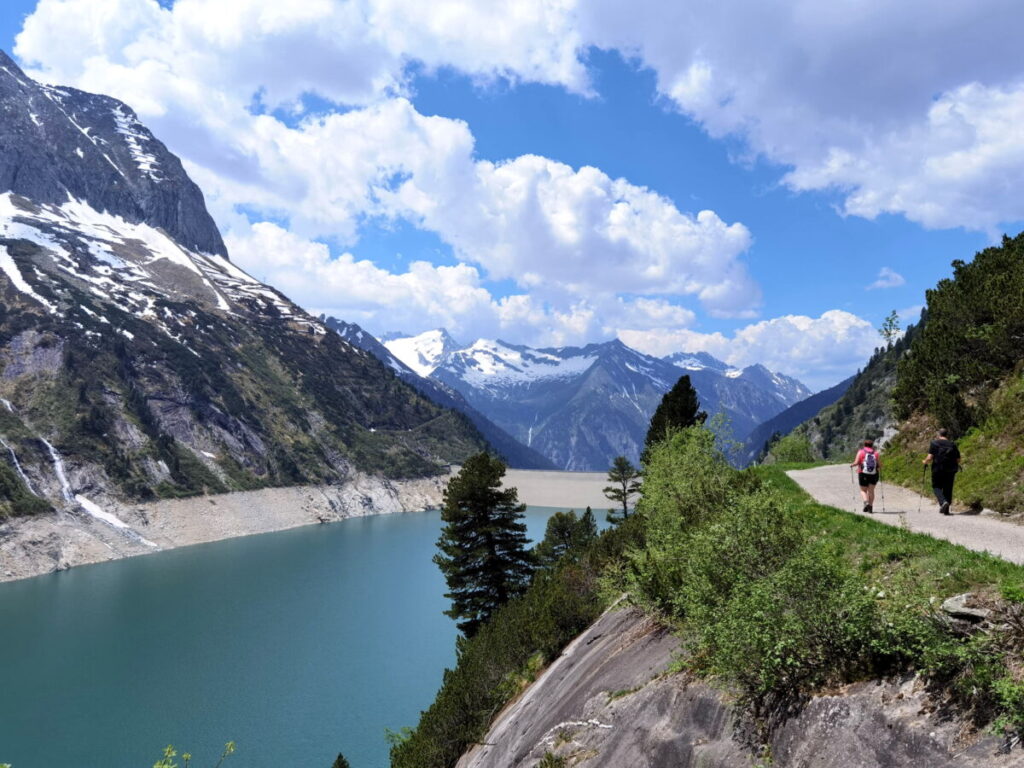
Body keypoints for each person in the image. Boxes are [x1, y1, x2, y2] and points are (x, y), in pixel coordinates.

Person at [924, 428, 961, 515]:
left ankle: (943, 502)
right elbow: (958, 459)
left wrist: (925, 462)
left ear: (939, 434)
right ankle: (946, 510)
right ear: (947, 435)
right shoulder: (952, 444)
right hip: (950, 470)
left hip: (937, 469)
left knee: (936, 486)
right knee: (948, 488)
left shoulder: (934, 443)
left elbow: (929, 458)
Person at [850, 438, 881, 513]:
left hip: (863, 473)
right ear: (872, 445)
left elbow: (856, 462)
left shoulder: (861, 452)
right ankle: (870, 506)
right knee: (871, 491)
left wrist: (852, 465)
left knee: (863, 490)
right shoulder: (876, 453)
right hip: (874, 474)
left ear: (864, 445)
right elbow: (879, 465)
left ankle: (866, 502)